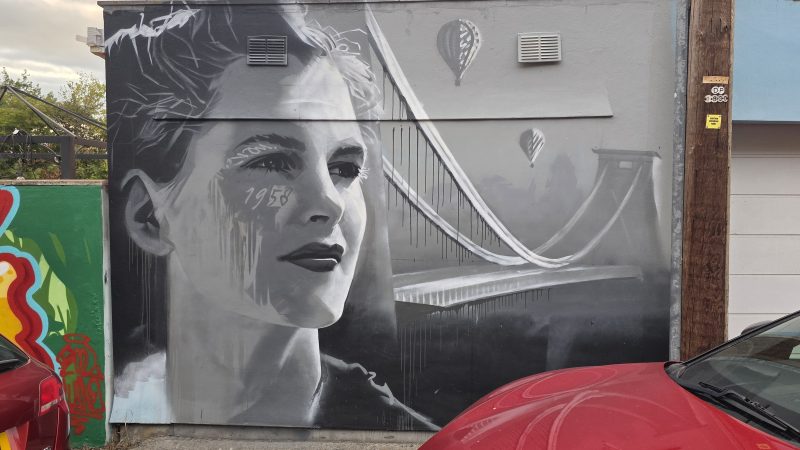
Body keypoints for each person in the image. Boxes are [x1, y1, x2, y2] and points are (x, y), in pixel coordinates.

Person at [107, 4, 436, 429]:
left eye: (345, 169)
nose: (330, 204)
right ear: (150, 214)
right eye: (271, 162)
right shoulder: (121, 396)